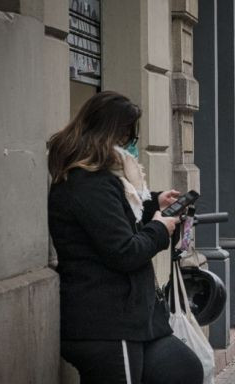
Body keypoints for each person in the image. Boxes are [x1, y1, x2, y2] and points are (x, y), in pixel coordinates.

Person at [48, 91, 204, 383]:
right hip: (107, 325)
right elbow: (123, 251)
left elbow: (114, 222)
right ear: (109, 135)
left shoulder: (102, 181)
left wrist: (153, 204)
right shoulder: (87, 184)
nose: (130, 147)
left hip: (129, 319)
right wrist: (160, 229)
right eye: (126, 137)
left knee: (182, 368)